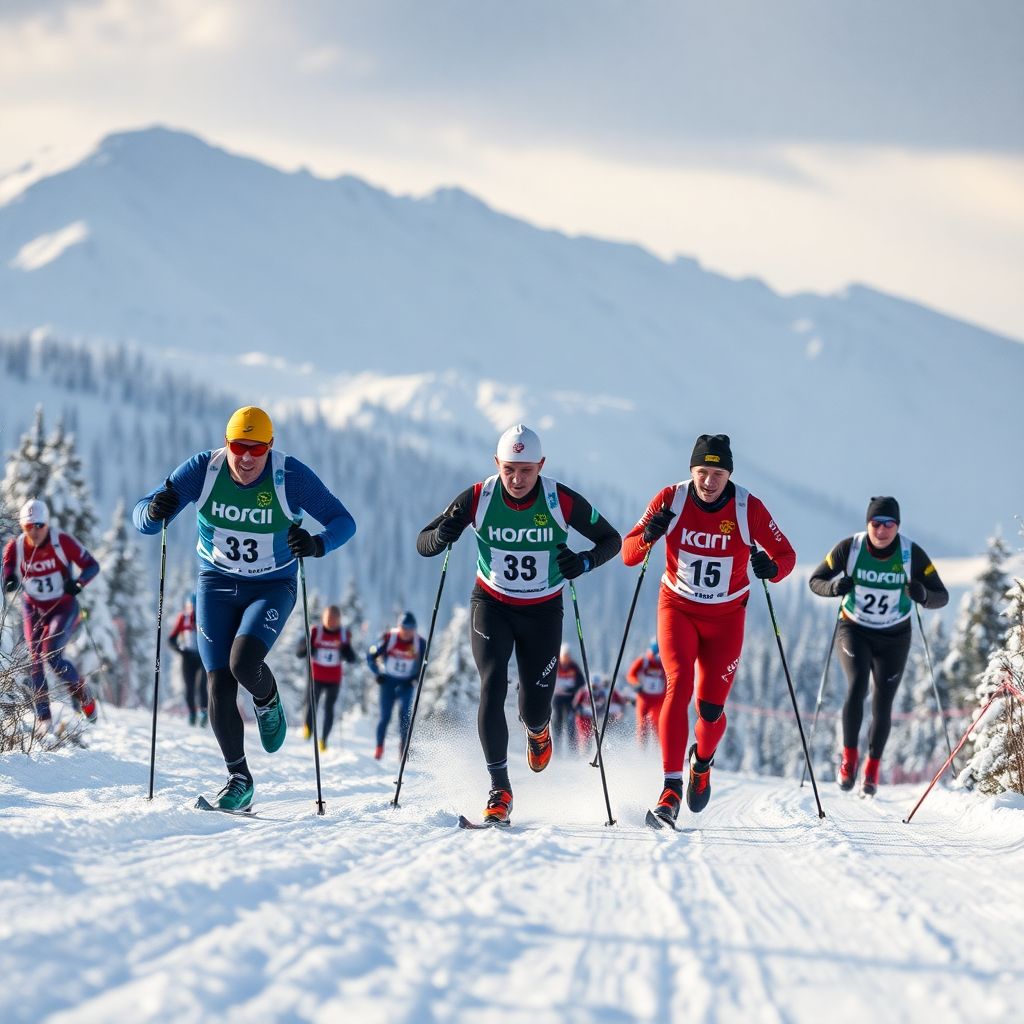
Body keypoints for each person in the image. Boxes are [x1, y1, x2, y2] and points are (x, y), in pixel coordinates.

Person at [133, 406, 356, 811]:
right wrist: (153, 510)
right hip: (215, 584)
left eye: (257, 448)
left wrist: (317, 544)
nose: (248, 458)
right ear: (226, 443)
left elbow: (343, 521)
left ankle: (267, 698)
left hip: (272, 585)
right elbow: (144, 518)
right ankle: (239, 779)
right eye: (239, 447)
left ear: (270, 447)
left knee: (242, 662)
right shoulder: (204, 470)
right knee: (218, 681)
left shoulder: (291, 477)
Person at [417, 424, 621, 825]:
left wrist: (583, 562)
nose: (517, 479)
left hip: (543, 611)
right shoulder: (478, 497)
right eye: (510, 468)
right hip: (491, 604)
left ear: (541, 466)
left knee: (534, 705)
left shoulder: (559, 499)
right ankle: (499, 790)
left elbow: (610, 539)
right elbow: (424, 542)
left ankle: (538, 729)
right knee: (492, 684)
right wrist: (444, 534)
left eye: (526, 470)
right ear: (497, 464)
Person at [622, 433, 795, 826]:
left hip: (726, 617)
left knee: (711, 710)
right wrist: (649, 535)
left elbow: (787, 555)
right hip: (678, 608)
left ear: (728, 474)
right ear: (691, 471)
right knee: (678, 683)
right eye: (702, 471)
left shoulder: (747, 508)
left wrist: (773, 569)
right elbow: (629, 554)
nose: (708, 481)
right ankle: (669, 789)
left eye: (717, 473)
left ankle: (701, 762)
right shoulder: (671, 499)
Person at [808, 496, 948, 796]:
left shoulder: (911, 554)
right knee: (857, 684)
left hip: (894, 636)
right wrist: (833, 588)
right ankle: (849, 760)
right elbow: (816, 580)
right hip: (854, 628)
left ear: (897, 526)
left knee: (883, 702)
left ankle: (871, 769)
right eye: (876, 524)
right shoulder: (851, 548)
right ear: (867, 524)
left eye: (889, 525)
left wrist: (923, 594)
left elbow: (941, 595)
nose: (882, 531)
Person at [2, 498, 100, 730]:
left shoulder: (61, 541)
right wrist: (10, 580)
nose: (34, 533)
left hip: (63, 607)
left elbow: (92, 565)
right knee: (35, 660)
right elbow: (7, 568)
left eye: (39, 526)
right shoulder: (15, 546)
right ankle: (44, 719)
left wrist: (78, 583)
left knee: (52, 655)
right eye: (29, 527)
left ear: (46, 524)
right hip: (33, 608)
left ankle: (84, 699)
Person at [366, 611, 425, 760]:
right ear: (399, 627)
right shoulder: (389, 638)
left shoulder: (420, 643)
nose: (407, 633)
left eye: (410, 629)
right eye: (404, 629)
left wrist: (416, 678)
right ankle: (379, 748)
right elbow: (370, 655)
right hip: (388, 682)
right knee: (385, 717)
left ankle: (403, 750)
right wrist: (377, 673)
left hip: (407, 683)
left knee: (405, 716)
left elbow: (424, 664)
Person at [297, 604, 356, 751]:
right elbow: (299, 653)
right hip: (316, 676)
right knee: (312, 704)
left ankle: (324, 740)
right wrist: (308, 648)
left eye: (334, 619)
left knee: (329, 708)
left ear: (339, 620)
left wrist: (347, 652)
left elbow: (352, 658)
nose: (330, 621)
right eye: (328, 618)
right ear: (323, 618)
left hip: (334, 679)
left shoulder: (343, 634)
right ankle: (308, 730)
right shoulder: (316, 631)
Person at [169, 592, 208, 727]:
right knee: (189, 686)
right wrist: (180, 650)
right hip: (188, 657)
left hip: (203, 657)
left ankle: (203, 713)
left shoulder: (206, 616)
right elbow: (171, 639)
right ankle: (192, 714)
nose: (193, 609)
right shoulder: (183, 618)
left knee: (202, 686)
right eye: (191, 606)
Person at [627, 638, 667, 747]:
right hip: (644, 698)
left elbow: (670, 677)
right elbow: (631, 674)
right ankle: (642, 751)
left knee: (658, 725)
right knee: (642, 725)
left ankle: (660, 751)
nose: (658, 656)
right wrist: (636, 684)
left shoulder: (664, 662)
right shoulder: (643, 660)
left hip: (659, 699)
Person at [573, 671, 624, 748]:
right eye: (593, 686)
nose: (594, 688)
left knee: (598, 734)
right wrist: (581, 711)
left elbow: (603, 707)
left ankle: (600, 748)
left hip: (595, 717)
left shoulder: (602, 693)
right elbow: (576, 705)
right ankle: (584, 752)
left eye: (596, 686)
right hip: (583, 717)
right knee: (585, 736)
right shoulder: (583, 692)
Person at [552, 642, 585, 754]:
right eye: (564, 656)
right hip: (558, 698)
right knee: (557, 722)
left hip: (570, 699)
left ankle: (573, 751)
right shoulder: (555, 665)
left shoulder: (574, 667)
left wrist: (571, 690)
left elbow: (581, 682)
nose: (566, 658)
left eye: (568, 656)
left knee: (571, 723)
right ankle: (556, 750)